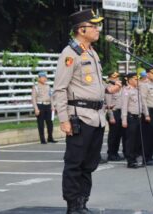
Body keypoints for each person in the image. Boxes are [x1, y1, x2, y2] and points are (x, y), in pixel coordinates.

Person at [52, 9, 121, 214]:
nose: (98, 29)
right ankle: (73, 205)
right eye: (94, 26)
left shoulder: (91, 52)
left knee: (89, 164)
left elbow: (89, 85)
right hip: (80, 116)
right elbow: (60, 89)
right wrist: (64, 119)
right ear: (82, 29)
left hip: (97, 117)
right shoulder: (70, 54)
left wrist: (108, 89)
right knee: (74, 163)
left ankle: (83, 202)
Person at [121, 72, 143, 168]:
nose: (137, 81)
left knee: (137, 140)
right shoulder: (126, 91)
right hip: (130, 118)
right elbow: (124, 106)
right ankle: (130, 161)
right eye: (135, 79)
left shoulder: (137, 90)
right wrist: (124, 119)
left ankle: (135, 158)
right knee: (131, 140)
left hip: (138, 117)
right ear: (129, 80)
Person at [140, 68, 153, 165]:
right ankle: (146, 158)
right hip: (148, 112)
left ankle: (150, 156)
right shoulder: (144, 85)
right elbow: (143, 100)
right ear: (147, 74)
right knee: (147, 137)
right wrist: (146, 114)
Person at [31, 71, 57, 144]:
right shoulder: (35, 87)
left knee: (50, 123)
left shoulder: (48, 86)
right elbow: (33, 98)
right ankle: (42, 139)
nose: (44, 79)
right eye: (43, 77)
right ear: (39, 78)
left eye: (45, 77)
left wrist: (52, 106)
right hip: (40, 105)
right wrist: (36, 109)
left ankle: (50, 137)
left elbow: (51, 97)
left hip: (48, 105)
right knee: (41, 123)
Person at [105, 71, 126, 161]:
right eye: (114, 77)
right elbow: (109, 103)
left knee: (118, 135)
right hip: (114, 112)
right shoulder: (109, 88)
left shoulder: (121, 88)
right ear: (109, 78)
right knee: (113, 135)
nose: (116, 79)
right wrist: (111, 116)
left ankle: (115, 152)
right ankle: (111, 153)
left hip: (120, 112)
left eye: (117, 77)